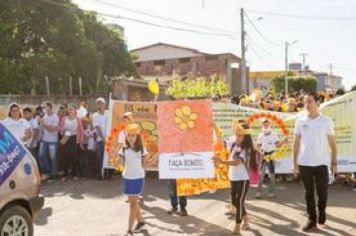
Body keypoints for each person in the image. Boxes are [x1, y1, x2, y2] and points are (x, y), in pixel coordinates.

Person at [293, 92, 338, 232]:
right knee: (308, 193)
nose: (307, 105)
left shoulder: (326, 121)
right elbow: (296, 142)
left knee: (322, 192)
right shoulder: (300, 120)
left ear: (317, 102)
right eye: (305, 102)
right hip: (305, 163)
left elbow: (332, 143)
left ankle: (322, 213)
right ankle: (312, 219)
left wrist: (334, 162)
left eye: (310, 101)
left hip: (322, 163)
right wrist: (294, 162)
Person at [212, 123, 257, 235]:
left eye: (240, 136)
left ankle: (237, 226)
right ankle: (246, 218)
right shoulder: (233, 144)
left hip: (243, 179)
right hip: (233, 178)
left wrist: (221, 162)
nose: (237, 138)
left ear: (245, 137)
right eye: (236, 135)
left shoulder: (247, 149)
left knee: (239, 201)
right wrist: (215, 128)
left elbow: (236, 163)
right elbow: (220, 142)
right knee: (235, 201)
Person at [118, 124, 148, 236]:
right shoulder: (123, 149)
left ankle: (129, 230)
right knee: (133, 203)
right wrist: (114, 158)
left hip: (138, 178)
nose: (131, 138)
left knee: (132, 204)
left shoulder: (141, 149)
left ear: (137, 136)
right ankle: (141, 222)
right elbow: (120, 163)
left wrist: (158, 155)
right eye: (129, 135)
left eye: (133, 135)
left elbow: (145, 164)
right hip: (127, 178)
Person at [256, 118, 287, 198]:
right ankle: (258, 192)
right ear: (262, 125)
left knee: (272, 175)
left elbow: (277, 145)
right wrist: (260, 152)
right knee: (261, 175)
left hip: (271, 156)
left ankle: (271, 192)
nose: (265, 125)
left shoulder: (274, 134)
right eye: (264, 123)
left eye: (267, 123)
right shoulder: (260, 135)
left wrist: (284, 141)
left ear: (270, 124)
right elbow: (258, 146)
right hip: (263, 156)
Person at [58, 103, 84, 181]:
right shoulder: (64, 118)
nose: (70, 110)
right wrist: (63, 131)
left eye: (72, 109)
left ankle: (74, 175)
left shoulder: (78, 120)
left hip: (74, 138)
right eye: (69, 109)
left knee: (74, 157)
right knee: (65, 156)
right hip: (66, 137)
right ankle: (64, 175)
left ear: (75, 110)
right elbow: (59, 128)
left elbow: (81, 131)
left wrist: (81, 142)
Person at [38, 102, 59, 180]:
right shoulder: (43, 117)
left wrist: (43, 123)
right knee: (41, 155)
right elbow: (41, 129)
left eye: (45, 107)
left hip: (53, 140)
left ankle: (53, 174)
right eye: (43, 108)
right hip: (44, 140)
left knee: (53, 157)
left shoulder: (55, 117)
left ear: (50, 108)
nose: (44, 109)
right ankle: (45, 172)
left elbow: (51, 130)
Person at [92, 97, 109, 179]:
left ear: (105, 105)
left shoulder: (109, 113)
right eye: (98, 104)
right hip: (100, 140)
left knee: (108, 157)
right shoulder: (95, 115)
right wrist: (103, 139)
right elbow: (98, 128)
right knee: (100, 157)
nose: (100, 105)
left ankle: (107, 174)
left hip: (110, 139)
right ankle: (99, 174)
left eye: (101, 103)